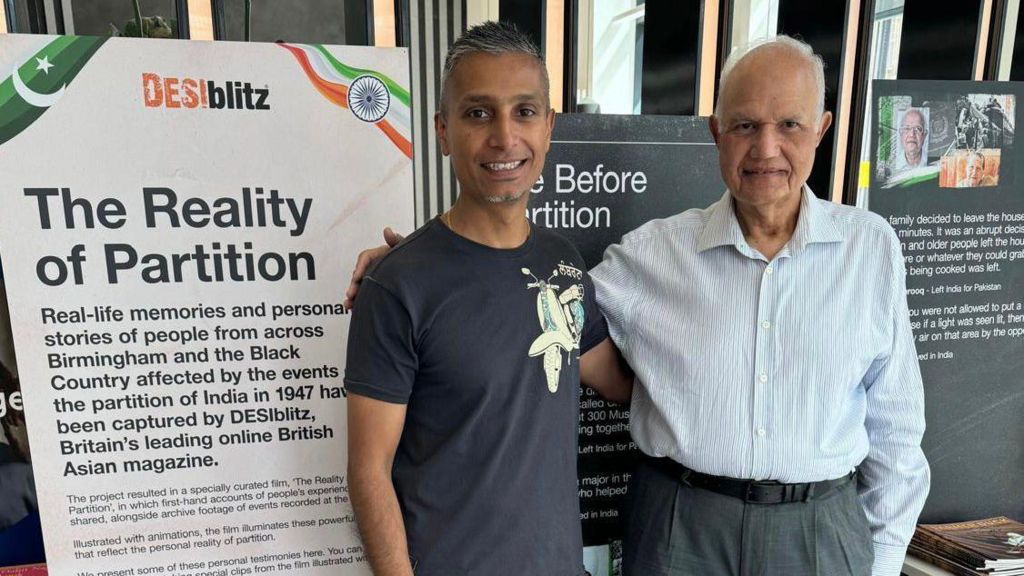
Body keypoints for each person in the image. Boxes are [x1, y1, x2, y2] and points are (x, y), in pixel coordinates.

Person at [348, 34, 929, 576]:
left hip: (821, 532)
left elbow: (897, 432)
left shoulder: (870, 249)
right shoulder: (651, 255)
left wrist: (879, 561)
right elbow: (512, 295)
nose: (766, 148)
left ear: (822, 129)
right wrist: (409, 266)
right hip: (683, 529)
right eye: (745, 124)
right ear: (715, 131)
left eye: (789, 125)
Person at [343, 22, 630, 576]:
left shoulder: (564, 266)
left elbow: (617, 380)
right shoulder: (397, 286)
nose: (504, 137)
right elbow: (368, 472)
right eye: (478, 113)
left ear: (548, 128)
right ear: (443, 130)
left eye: (524, 112)